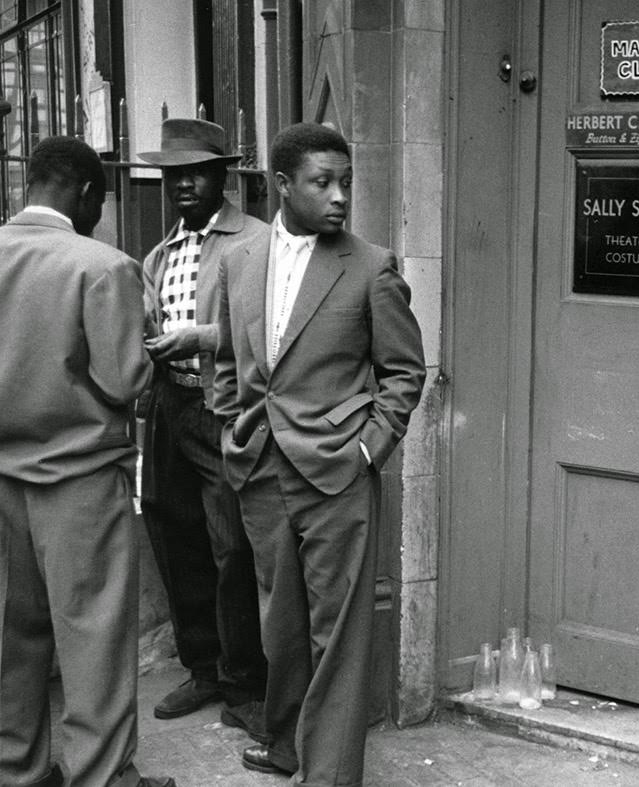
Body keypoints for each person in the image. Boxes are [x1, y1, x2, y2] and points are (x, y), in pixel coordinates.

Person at [214, 122, 426, 785]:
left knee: (338, 635)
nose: (339, 196)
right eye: (322, 182)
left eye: (346, 182)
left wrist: (368, 448)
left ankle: (331, 774)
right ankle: (284, 743)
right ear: (282, 185)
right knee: (280, 626)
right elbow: (230, 363)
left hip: (338, 470)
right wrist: (233, 430)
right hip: (261, 470)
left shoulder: (371, 266)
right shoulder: (239, 262)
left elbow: (404, 375)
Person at [0, 137, 174, 787]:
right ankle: (101, 776)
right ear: (85, 193)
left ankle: (16, 769)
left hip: (2, 479)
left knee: (12, 638)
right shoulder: (102, 266)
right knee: (93, 637)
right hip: (77, 478)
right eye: (100, 199)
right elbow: (126, 378)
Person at [137, 118, 270, 736]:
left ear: (223, 175)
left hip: (222, 408)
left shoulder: (258, 241)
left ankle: (246, 682)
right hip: (169, 405)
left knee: (232, 548)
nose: (183, 184)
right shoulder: (160, 252)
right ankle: (203, 669)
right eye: (173, 174)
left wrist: (200, 338)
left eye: (195, 172)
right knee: (175, 536)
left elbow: (271, 331)